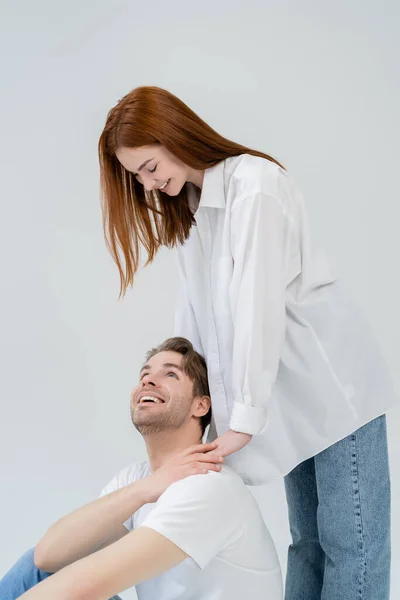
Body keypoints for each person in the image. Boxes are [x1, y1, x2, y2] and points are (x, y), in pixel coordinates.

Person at [98, 85, 398, 600]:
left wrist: (240, 423)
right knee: (307, 542)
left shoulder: (254, 186)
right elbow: (194, 321)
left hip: (333, 390)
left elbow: (257, 309)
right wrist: (192, 413)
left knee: (355, 545)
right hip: (285, 399)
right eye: (138, 176)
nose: (149, 184)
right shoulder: (191, 209)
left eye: (149, 166)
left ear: (173, 134)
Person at [0, 337, 283, 600]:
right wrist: (146, 488)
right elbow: (46, 557)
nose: (148, 380)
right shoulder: (138, 479)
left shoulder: (208, 486)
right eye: (145, 374)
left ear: (201, 405)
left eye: (170, 374)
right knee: (45, 571)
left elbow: (88, 586)